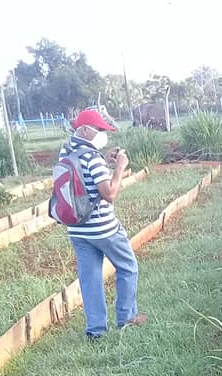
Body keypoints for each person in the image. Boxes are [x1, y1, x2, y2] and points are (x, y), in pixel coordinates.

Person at [59, 108, 147, 341]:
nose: (102, 134)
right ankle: (127, 318)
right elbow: (109, 193)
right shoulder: (91, 157)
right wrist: (118, 168)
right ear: (86, 129)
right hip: (104, 228)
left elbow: (84, 182)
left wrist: (105, 162)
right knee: (128, 267)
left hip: (77, 229)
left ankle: (95, 330)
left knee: (90, 278)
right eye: (99, 129)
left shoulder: (66, 151)